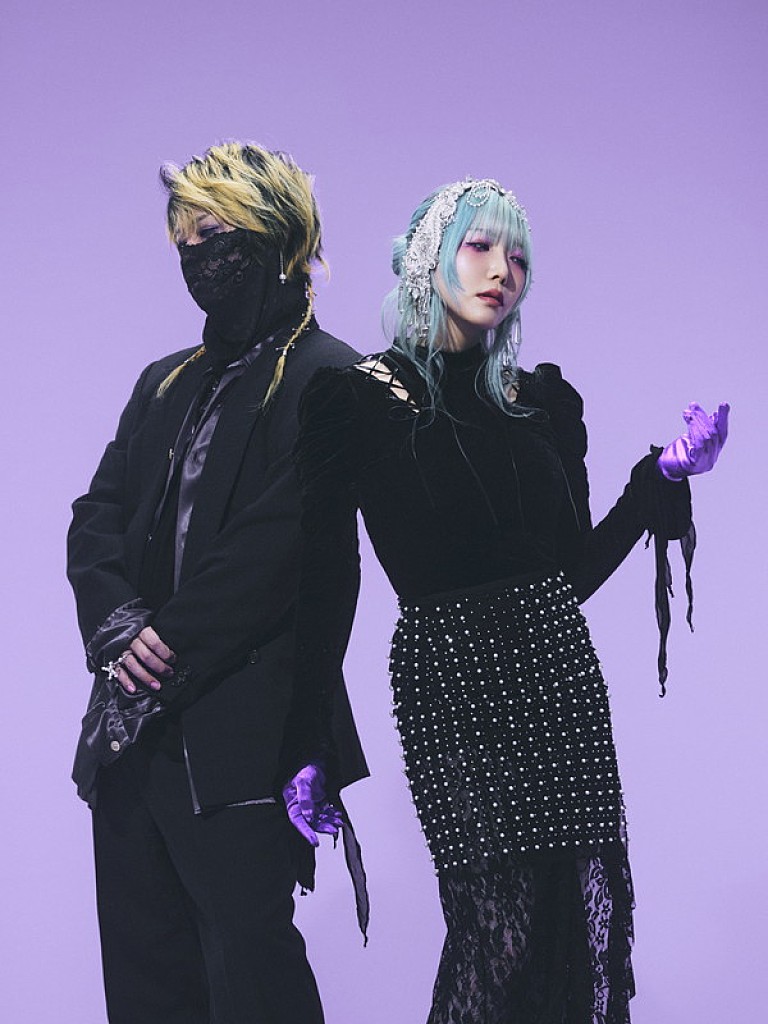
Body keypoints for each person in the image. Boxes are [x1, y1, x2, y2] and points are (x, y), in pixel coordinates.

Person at [283, 178, 728, 1023]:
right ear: (429, 258)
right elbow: (326, 578)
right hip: (452, 683)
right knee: (498, 937)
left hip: (558, 679)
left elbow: (570, 573)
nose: (502, 271)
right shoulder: (353, 398)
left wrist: (663, 475)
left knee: (579, 937)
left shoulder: (544, 403)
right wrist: (308, 741)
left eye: (518, 256)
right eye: (481, 247)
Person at [66, 141, 368, 1024]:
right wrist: (120, 628)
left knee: (253, 978)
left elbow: (282, 542)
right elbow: (95, 514)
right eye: (184, 238)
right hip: (129, 736)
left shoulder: (331, 375)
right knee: (147, 985)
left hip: (244, 736)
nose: (197, 254)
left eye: (215, 231)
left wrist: (167, 643)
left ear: (276, 234)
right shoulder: (162, 382)